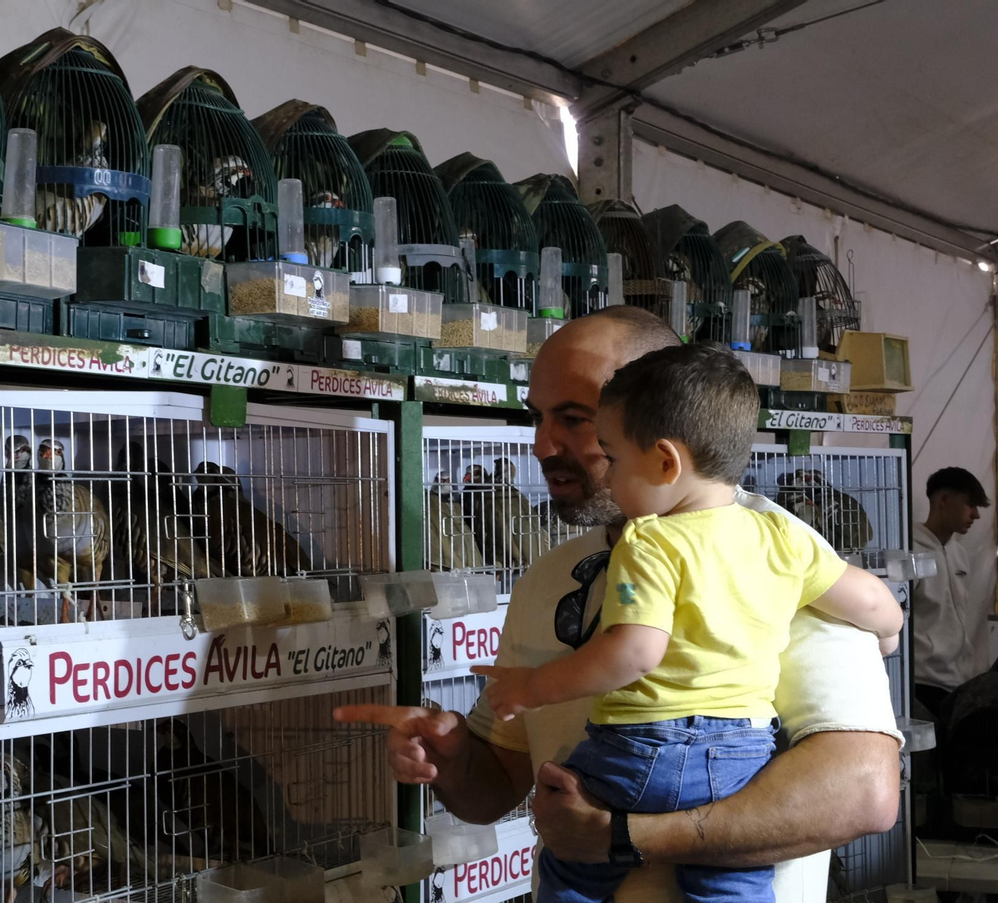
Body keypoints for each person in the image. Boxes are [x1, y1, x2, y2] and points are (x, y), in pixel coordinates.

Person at [336, 306, 903, 902]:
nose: (542, 445)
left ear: (659, 418)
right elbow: (498, 785)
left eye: (575, 419)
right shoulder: (547, 578)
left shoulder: (775, 553)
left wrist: (621, 838)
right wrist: (451, 757)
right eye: (536, 417)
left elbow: (864, 794)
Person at [911, 466, 992, 718]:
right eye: (970, 504)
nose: (976, 515)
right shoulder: (911, 553)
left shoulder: (959, 553)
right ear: (944, 499)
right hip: (921, 682)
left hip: (957, 682)